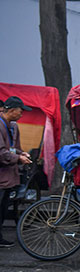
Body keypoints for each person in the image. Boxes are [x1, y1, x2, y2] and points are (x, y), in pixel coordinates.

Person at [0, 96, 33, 247]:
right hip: (2, 173)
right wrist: (18, 158)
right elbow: (2, 153)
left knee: (3, 207)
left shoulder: (13, 126)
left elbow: (14, 148)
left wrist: (22, 153)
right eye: (20, 111)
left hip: (8, 175)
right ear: (12, 111)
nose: (22, 114)